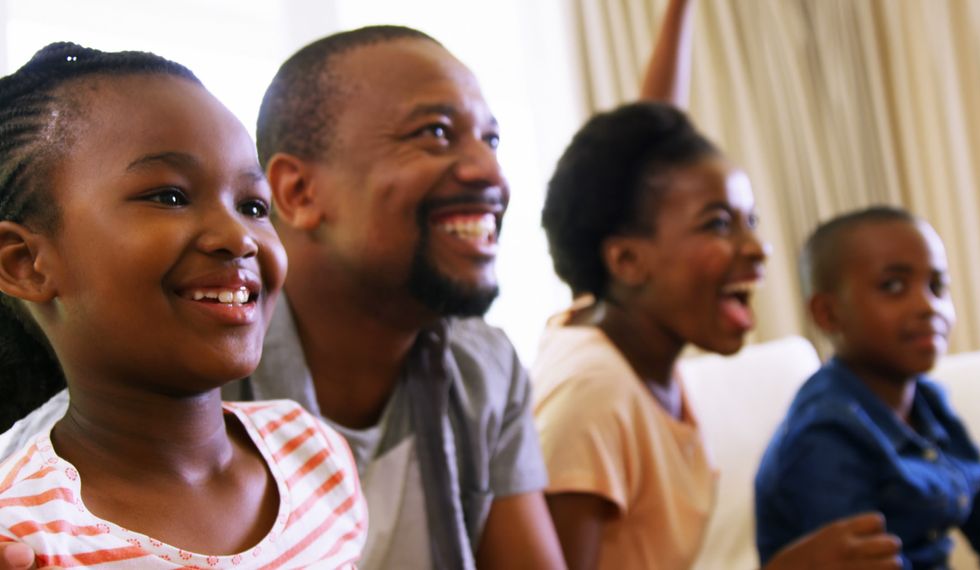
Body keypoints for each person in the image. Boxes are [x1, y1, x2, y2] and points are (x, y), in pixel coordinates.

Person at [0, 26, 565, 570]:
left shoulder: (322, 446)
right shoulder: (31, 518)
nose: (490, 170)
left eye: (251, 205)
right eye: (435, 132)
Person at [0, 43, 366, 568]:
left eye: (253, 205)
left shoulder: (312, 453)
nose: (238, 236)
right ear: (26, 263)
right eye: (169, 196)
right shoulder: (25, 538)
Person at [534, 102, 903, 569]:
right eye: (718, 224)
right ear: (627, 261)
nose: (756, 248)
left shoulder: (630, 349)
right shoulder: (592, 393)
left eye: (751, 221)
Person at [754, 206, 980, 569]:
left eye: (937, 286)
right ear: (828, 314)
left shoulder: (931, 403)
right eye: (893, 286)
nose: (928, 305)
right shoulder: (823, 435)